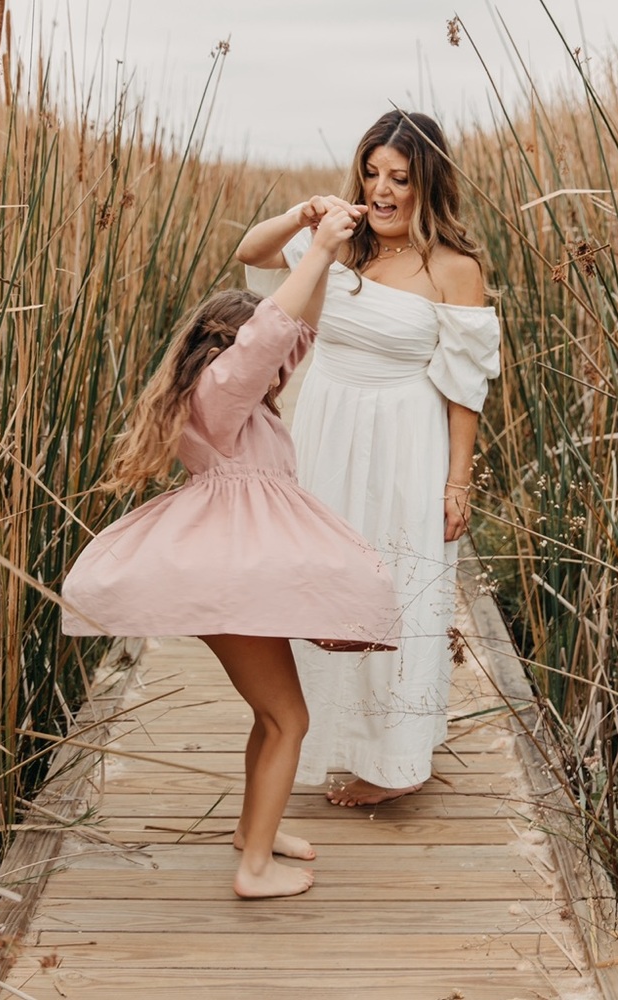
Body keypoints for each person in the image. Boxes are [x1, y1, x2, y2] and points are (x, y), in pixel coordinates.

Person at [61, 205, 399, 898]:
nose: (283, 368)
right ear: (233, 350)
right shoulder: (222, 396)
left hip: (237, 574)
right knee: (289, 718)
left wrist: (300, 226)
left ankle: (256, 831)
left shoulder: (237, 401)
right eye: (266, 358)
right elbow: (272, 335)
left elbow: (294, 330)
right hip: (229, 575)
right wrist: (320, 254)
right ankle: (252, 871)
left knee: (270, 714)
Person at [236, 110, 501, 808]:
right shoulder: (339, 247)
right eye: (372, 173)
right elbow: (251, 253)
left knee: (396, 589)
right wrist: (304, 218)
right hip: (325, 428)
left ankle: (396, 762)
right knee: (323, 586)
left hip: (405, 438)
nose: (382, 190)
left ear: (428, 185)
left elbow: (465, 385)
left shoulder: (455, 268)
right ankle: (324, 734)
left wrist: (457, 481)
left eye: (400, 179)